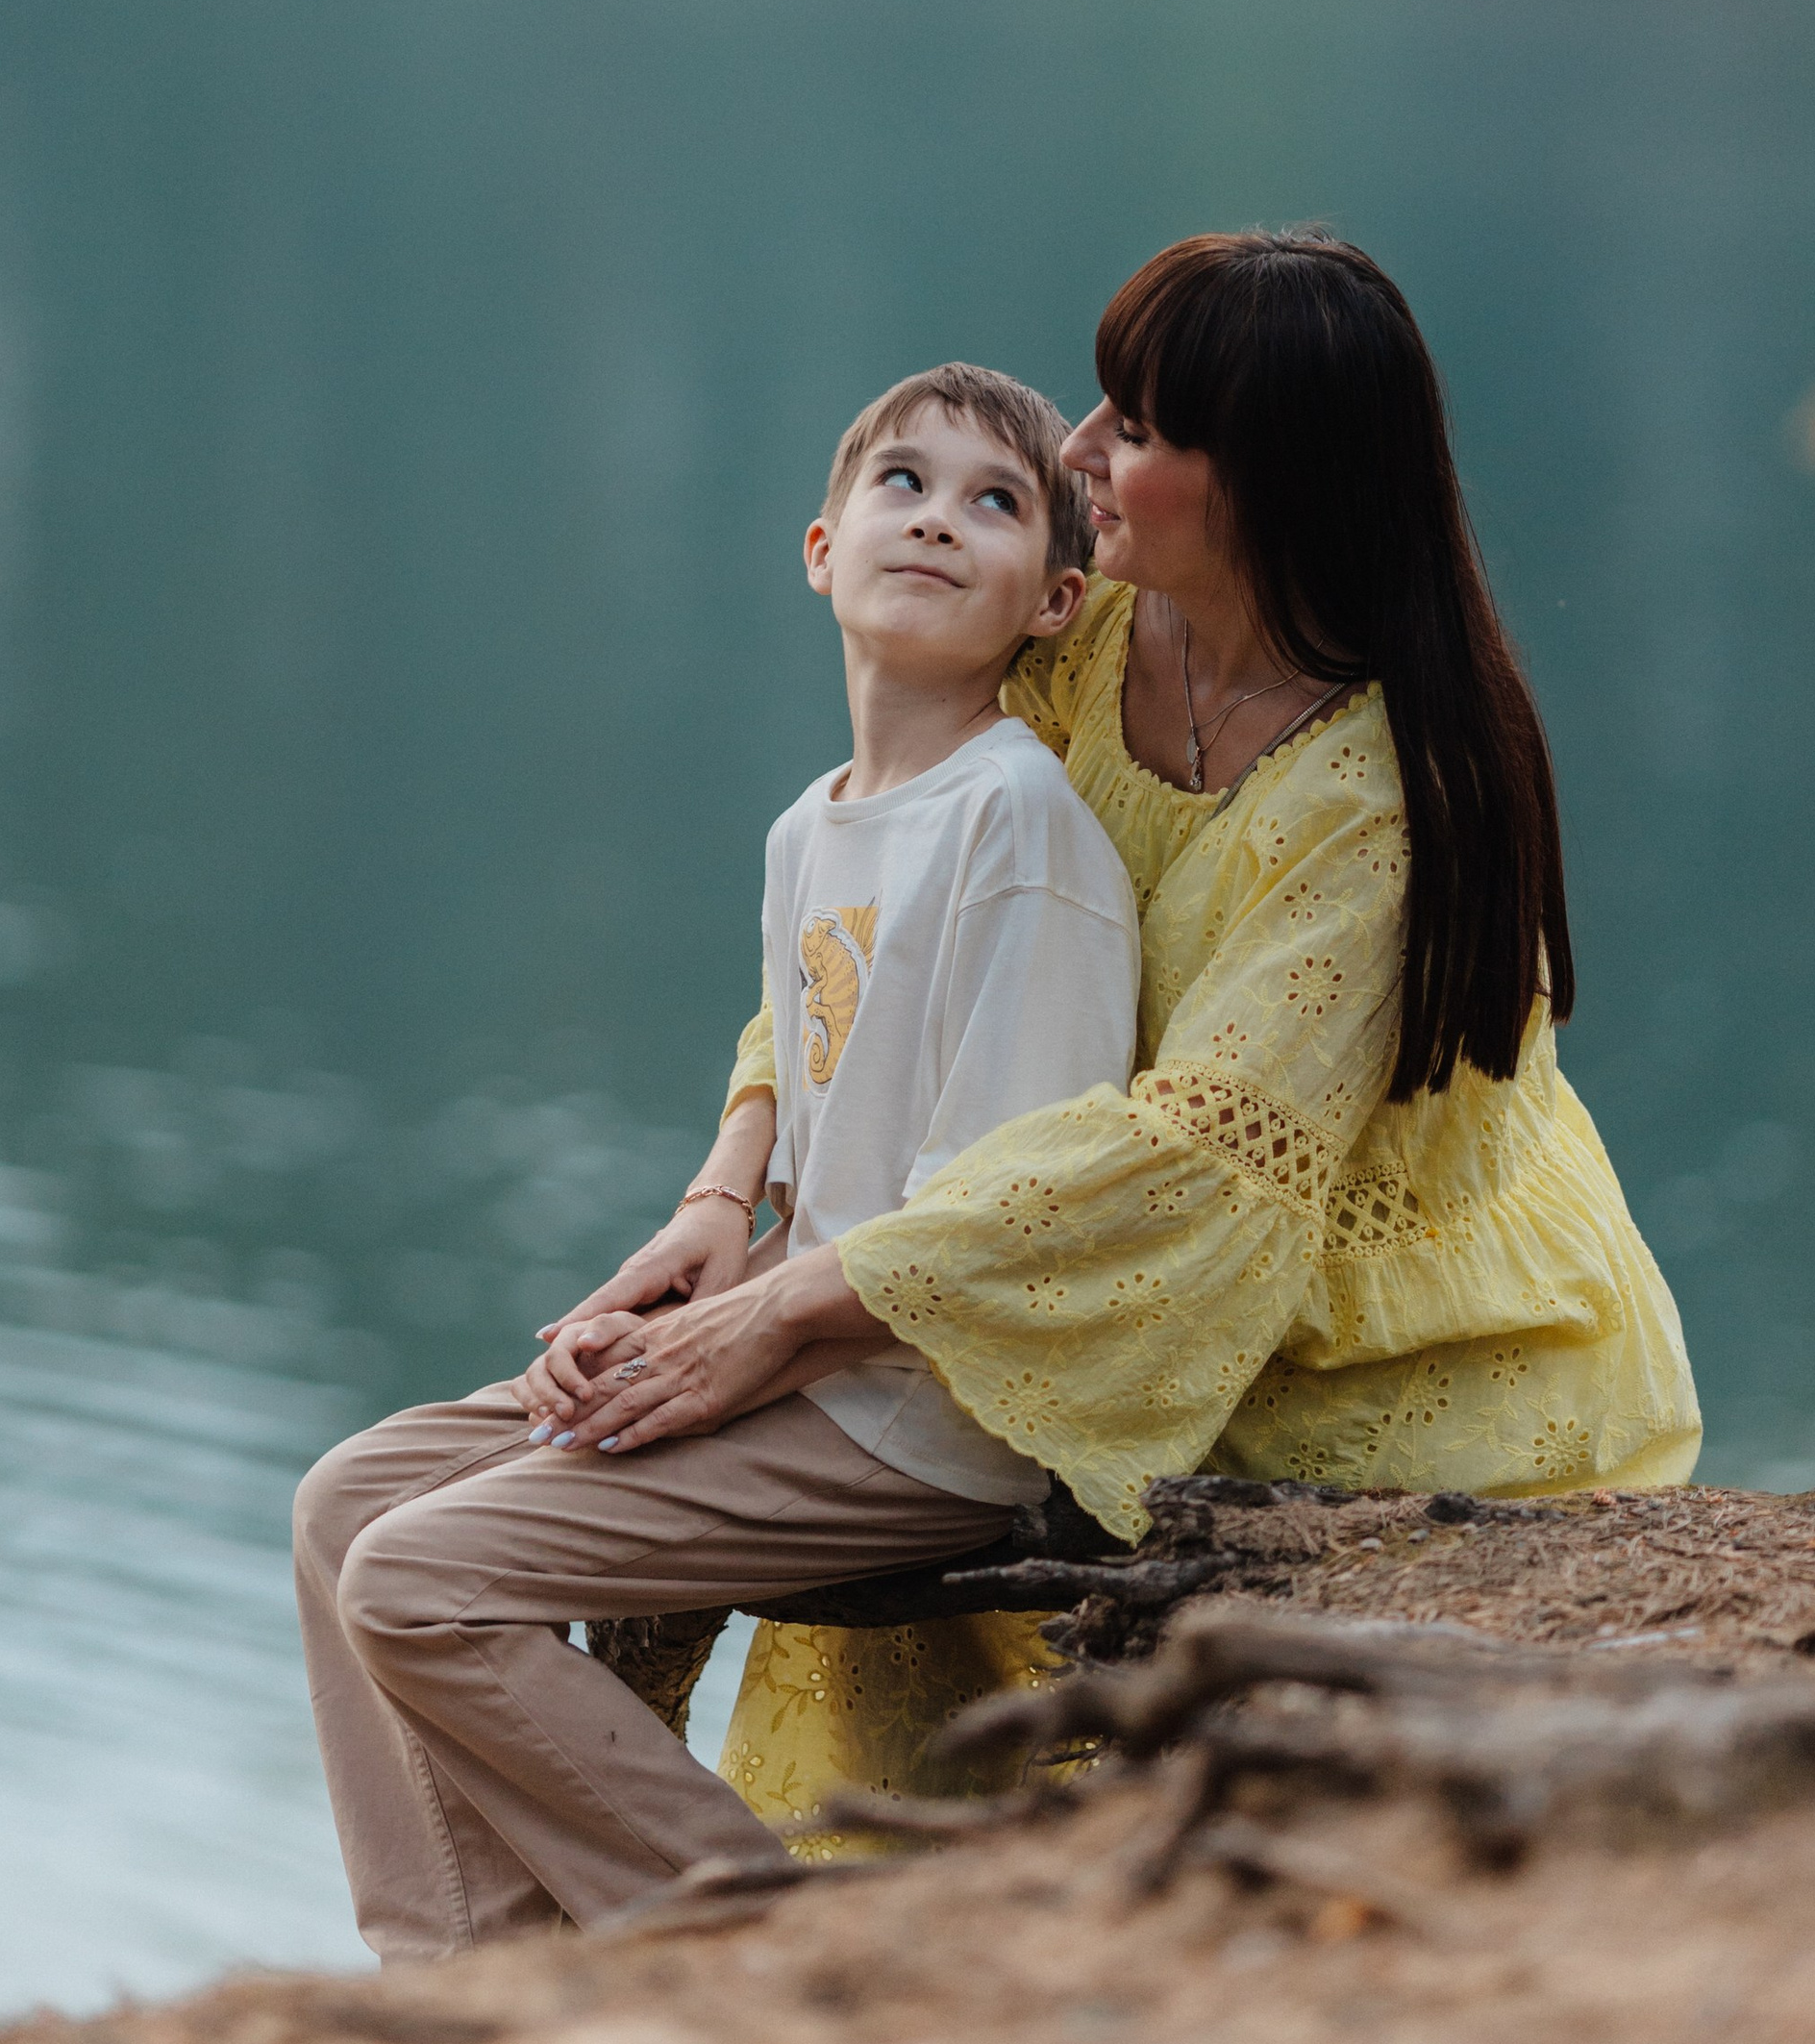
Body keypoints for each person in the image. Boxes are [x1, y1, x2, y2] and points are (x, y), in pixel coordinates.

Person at [599, 232, 1703, 1832]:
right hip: (1073, 1257)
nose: (1074, 453)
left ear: (1272, 486)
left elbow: (1199, 1152)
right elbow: (875, 906)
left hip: (1376, 1360)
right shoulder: (1087, 636)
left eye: (1138, 428)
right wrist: (733, 1193)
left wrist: (805, 1305)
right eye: (1102, 403)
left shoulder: (1384, 803)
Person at [292, 364, 1141, 1956]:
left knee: (422, 1581)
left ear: (1057, 601)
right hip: (798, 1354)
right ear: (821, 547)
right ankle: (472, 1980)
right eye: (904, 484)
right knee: (349, 1503)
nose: (940, 523)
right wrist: (698, 1275)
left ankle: (762, 1950)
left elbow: (995, 1233)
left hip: (924, 1413)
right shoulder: (810, 831)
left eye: (997, 503)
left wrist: (728, 1351)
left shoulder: (1015, 829)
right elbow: (827, 1156)